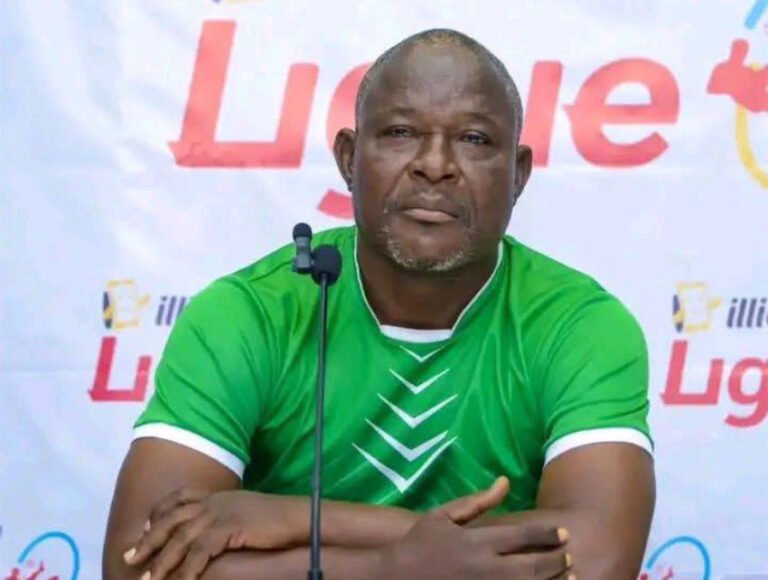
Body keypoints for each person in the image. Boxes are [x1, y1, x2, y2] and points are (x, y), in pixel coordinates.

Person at [103, 28, 655, 580]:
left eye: (474, 139)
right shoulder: (247, 315)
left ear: (518, 173)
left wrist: (293, 519)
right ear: (348, 158)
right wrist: (394, 564)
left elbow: (597, 562)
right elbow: (137, 566)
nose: (435, 165)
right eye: (400, 133)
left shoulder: (579, 324)